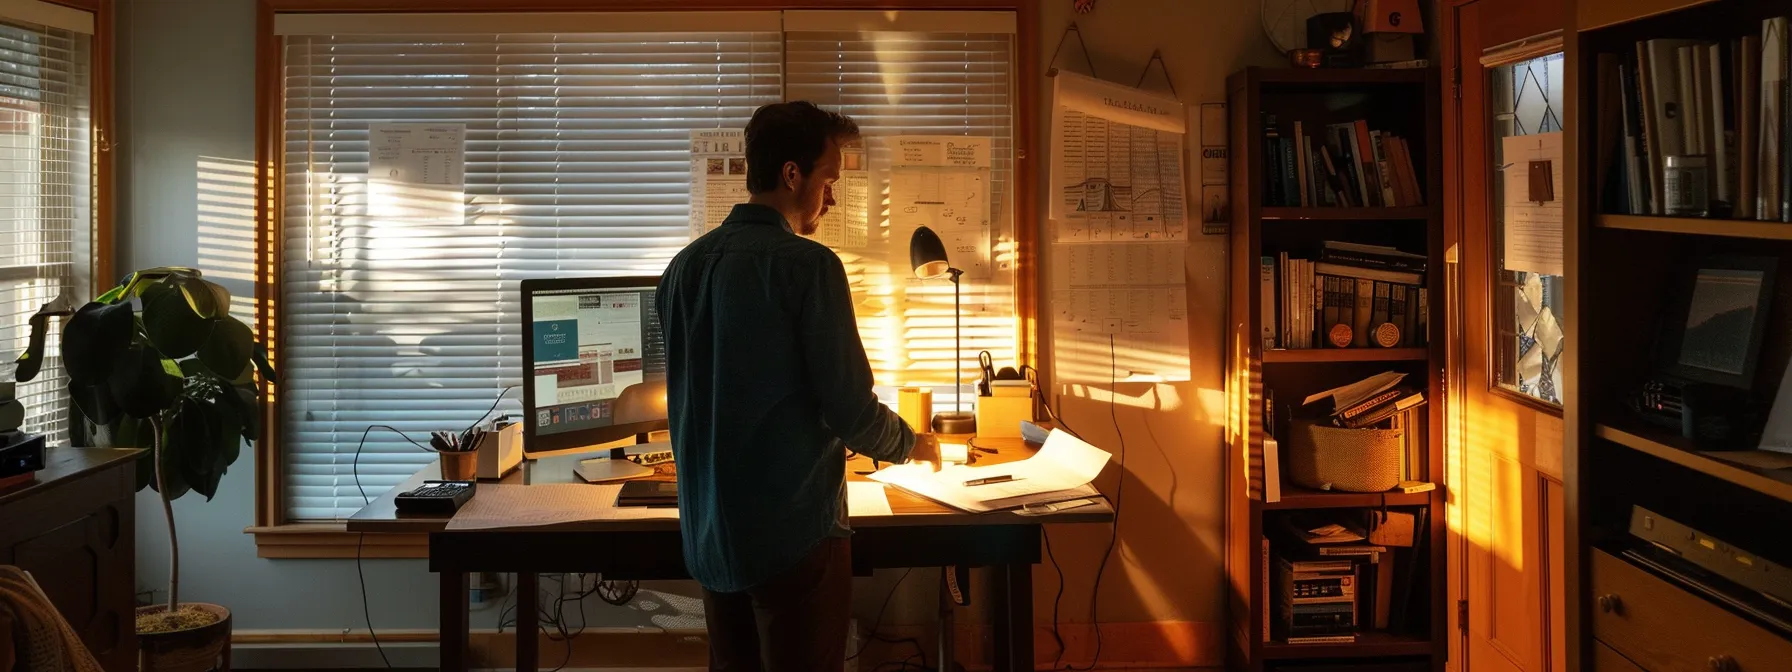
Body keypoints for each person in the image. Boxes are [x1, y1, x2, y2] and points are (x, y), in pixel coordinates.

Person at [656, 101, 939, 671]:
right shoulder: (808, 266)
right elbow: (850, 410)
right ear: (793, 174)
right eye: (829, 179)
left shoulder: (682, 269)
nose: (831, 196)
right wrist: (913, 444)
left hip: (711, 538)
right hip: (793, 536)